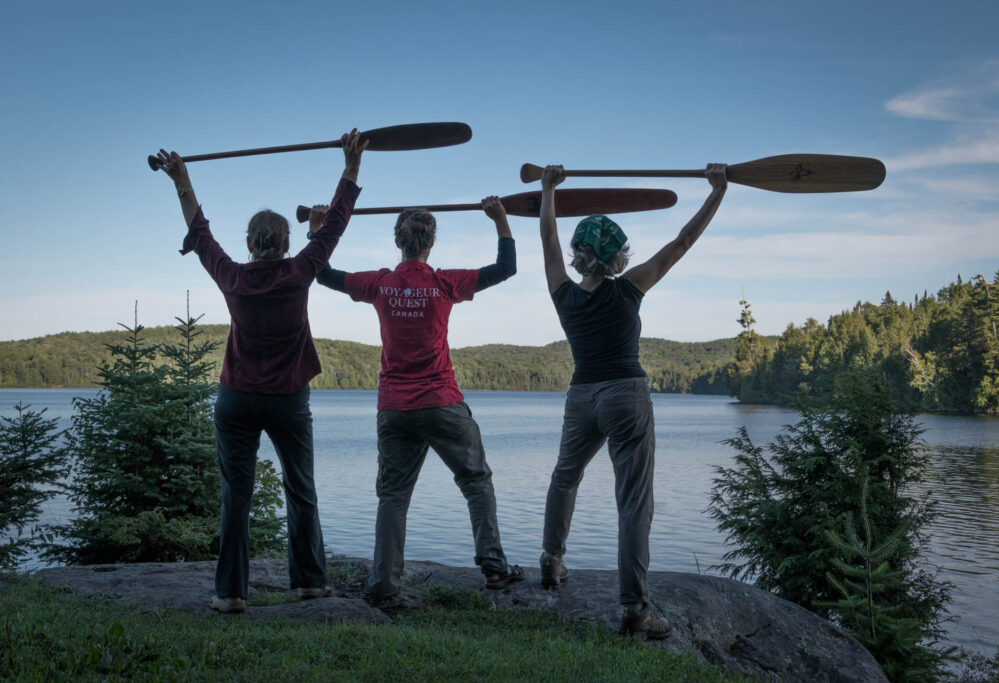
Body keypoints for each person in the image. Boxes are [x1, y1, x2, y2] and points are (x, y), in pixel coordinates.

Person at [154, 129, 368, 614]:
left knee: (236, 497)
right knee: (301, 489)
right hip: (289, 399)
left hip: (237, 400)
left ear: (250, 244)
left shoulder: (232, 277)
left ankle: (230, 593)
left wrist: (181, 179)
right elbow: (335, 223)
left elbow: (201, 232)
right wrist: (351, 166)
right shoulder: (301, 270)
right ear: (288, 243)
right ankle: (310, 583)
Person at [536, 163, 728, 639]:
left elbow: (548, 241)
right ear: (617, 257)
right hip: (626, 395)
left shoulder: (562, 294)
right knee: (633, 502)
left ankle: (551, 560)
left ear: (580, 256)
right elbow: (682, 242)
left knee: (566, 476)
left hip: (581, 397)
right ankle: (635, 609)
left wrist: (548, 191)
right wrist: (717, 193)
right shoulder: (630, 289)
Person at [308, 197, 522, 601]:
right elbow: (505, 268)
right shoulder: (444, 282)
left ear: (397, 241)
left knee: (393, 496)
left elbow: (323, 274)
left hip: (395, 408)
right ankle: (494, 569)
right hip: (442, 403)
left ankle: (385, 582)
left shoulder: (381, 283)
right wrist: (500, 220)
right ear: (431, 243)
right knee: (476, 482)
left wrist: (317, 230)